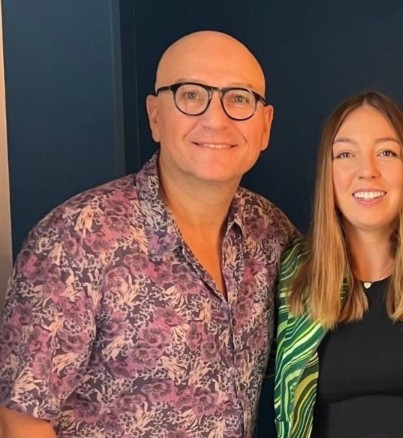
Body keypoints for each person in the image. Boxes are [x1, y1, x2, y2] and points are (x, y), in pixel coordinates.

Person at [0, 31, 295, 437]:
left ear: (265, 126)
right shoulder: (76, 238)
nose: (216, 119)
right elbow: (21, 418)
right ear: (155, 116)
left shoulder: (272, 233)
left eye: (239, 98)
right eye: (191, 95)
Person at [273, 91, 403, 437]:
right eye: (345, 154)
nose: (367, 171)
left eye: (386, 153)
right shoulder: (295, 271)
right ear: (327, 172)